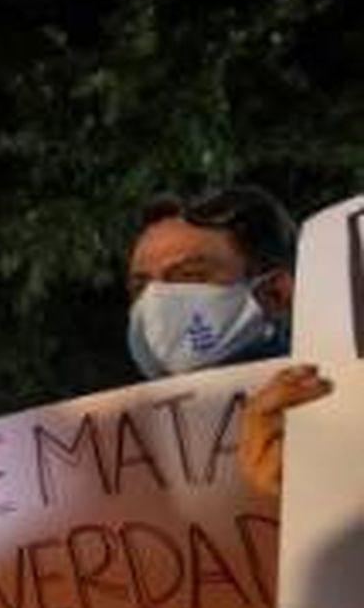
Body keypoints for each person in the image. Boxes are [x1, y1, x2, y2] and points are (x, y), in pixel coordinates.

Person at [121, 186, 334, 496]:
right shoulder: (124, 457)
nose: (154, 303)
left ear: (275, 293)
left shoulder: (345, 407)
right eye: (140, 288)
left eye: (189, 276)